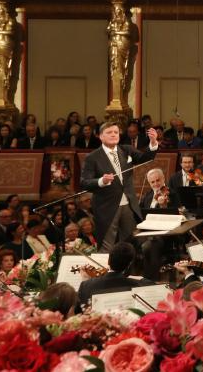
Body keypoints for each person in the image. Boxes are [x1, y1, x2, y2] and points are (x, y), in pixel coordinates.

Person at [78, 122, 159, 250]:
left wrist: (153, 142)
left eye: (116, 132)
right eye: (109, 132)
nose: (113, 135)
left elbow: (146, 158)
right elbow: (84, 183)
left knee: (131, 242)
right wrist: (101, 181)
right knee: (107, 245)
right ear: (101, 136)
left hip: (128, 204)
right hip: (107, 207)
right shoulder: (92, 157)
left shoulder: (127, 150)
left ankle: (129, 263)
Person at [76, 242, 153, 311]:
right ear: (129, 264)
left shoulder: (85, 285)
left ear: (108, 260)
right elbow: (152, 284)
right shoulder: (140, 284)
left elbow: (81, 311)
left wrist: (86, 281)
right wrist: (141, 279)